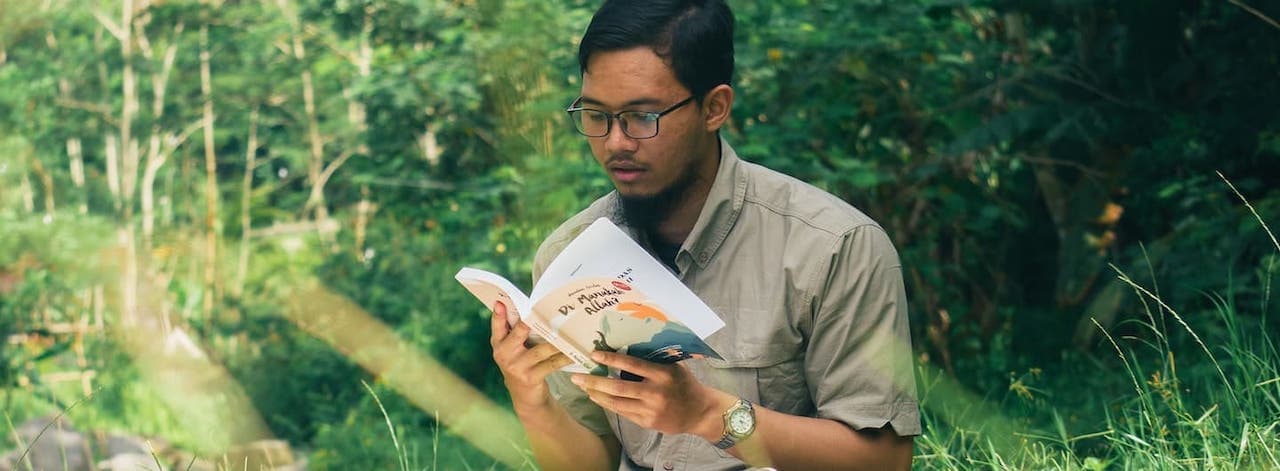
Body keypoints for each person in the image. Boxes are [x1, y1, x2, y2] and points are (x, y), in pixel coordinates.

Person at [487, 0, 920, 469]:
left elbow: (886, 461)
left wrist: (709, 416)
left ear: (714, 108)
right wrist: (530, 399)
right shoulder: (569, 257)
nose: (615, 142)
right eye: (595, 115)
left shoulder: (833, 247)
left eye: (642, 117)